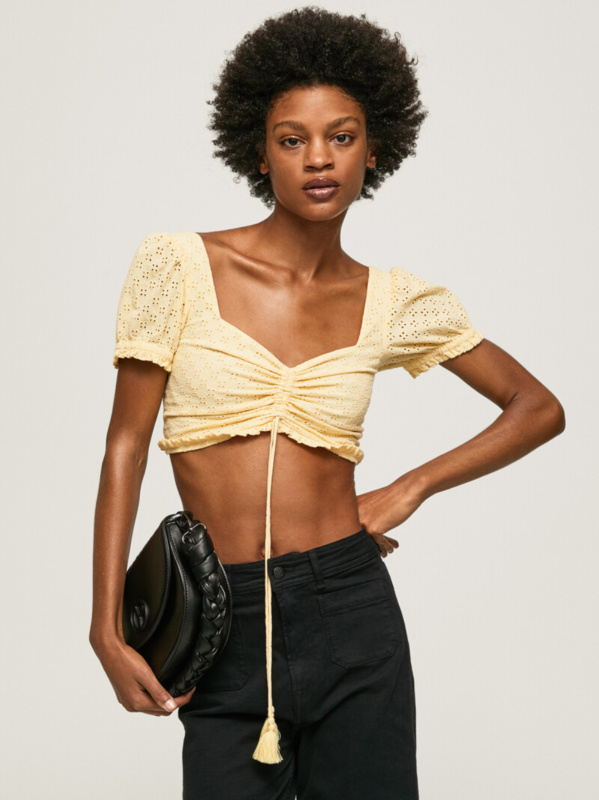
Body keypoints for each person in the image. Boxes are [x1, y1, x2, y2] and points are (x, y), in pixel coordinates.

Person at [89, 7, 565, 799]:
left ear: (373, 150)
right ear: (259, 150)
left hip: (351, 607)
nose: (318, 158)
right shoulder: (177, 266)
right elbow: (124, 448)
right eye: (292, 139)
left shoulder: (392, 301)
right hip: (221, 615)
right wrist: (106, 627)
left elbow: (535, 407)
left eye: (340, 137)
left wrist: (409, 487)